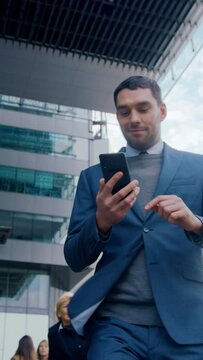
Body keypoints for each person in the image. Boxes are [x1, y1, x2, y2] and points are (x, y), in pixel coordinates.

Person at [64, 75, 203, 359]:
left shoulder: (198, 169)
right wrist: (101, 223)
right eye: (124, 111)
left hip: (186, 324)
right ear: (116, 115)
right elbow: (74, 259)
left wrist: (195, 222)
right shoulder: (93, 178)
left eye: (143, 108)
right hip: (116, 327)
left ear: (161, 110)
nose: (134, 118)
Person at [48, 291, 89, 360]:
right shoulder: (52, 332)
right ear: (59, 313)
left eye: (72, 306)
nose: (70, 309)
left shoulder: (86, 329)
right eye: (66, 306)